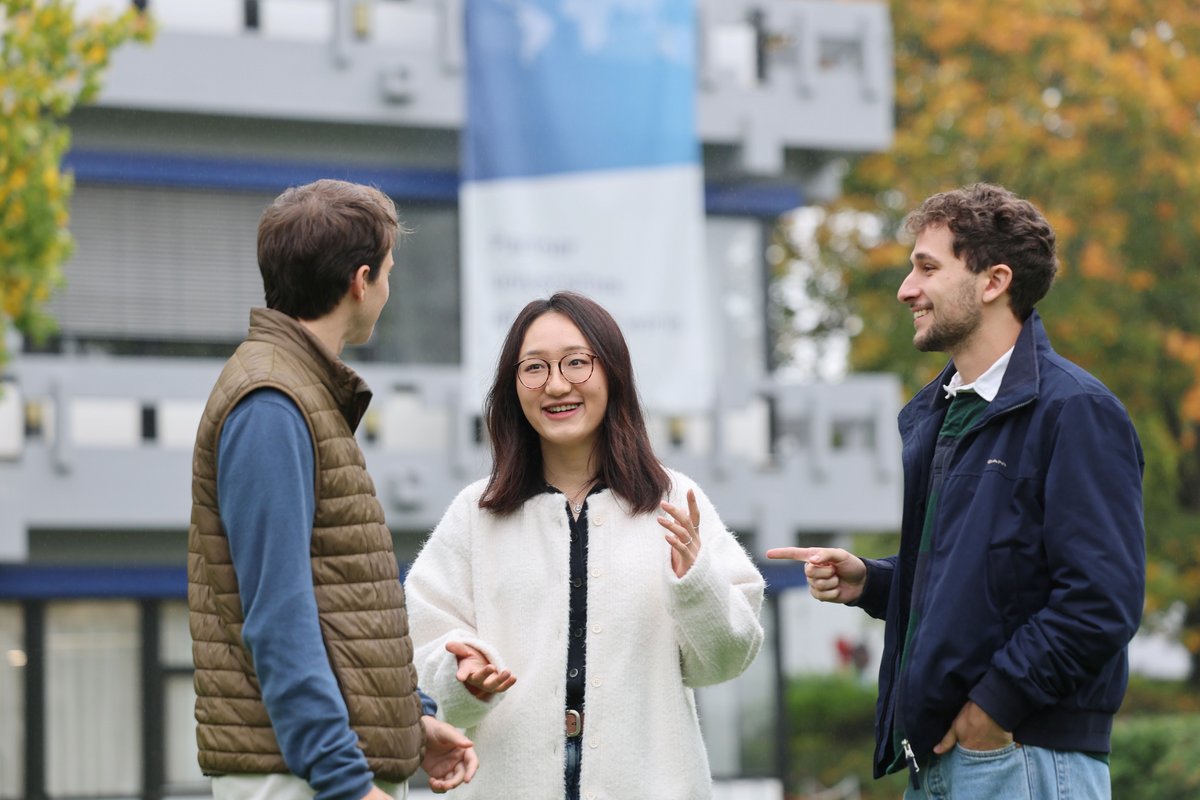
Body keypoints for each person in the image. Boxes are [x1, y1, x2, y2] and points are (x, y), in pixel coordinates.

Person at [769, 183, 1145, 799]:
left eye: (927, 268)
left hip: (1020, 759)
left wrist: (991, 711)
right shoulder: (943, 415)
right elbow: (984, 584)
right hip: (948, 764)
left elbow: (1102, 600)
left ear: (994, 281)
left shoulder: (1076, 411)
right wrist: (875, 581)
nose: (906, 289)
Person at [404, 291, 766, 799]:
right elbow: (422, 642)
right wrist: (461, 673)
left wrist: (694, 580)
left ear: (612, 372)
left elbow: (727, 660)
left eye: (576, 363)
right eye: (533, 368)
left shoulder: (674, 501)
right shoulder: (476, 513)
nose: (555, 385)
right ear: (513, 387)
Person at [188, 179, 478, 800]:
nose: (388, 290)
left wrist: (412, 720)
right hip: (303, 777)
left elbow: (337, 605)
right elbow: (278, 618)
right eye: (389, 273)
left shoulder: (299, 392)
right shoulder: (271, 402)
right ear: (360, 280)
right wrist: (347, 783)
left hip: (321, 769)